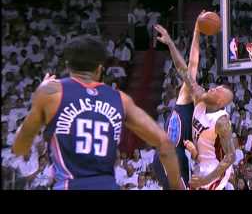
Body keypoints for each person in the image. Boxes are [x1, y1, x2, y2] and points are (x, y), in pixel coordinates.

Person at [12, 35, 183, 190]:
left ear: (67, 66)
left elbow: (20, 146)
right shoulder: (121, 100)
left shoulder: (50, 93)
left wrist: (38, 99)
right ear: (100, 68)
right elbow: (165, 143)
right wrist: (175, 186)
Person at [155, 22, 236, 190]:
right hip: (180, 157)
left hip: (212, 171)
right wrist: (173, 42)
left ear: (221, 102)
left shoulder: (221, 121)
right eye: (216, 87)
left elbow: (230, 157)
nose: (213, 88)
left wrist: (206, 179)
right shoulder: (198, 98)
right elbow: (186, 68)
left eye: (218, 91)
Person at [152, 13, 203, 189]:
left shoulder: (206, 117)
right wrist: (196, 31)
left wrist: (195, 154)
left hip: (179, 157)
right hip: (167, 153)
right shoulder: (187, 97)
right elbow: (189, 66)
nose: (200, 88)